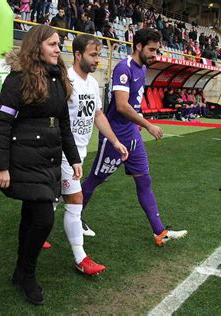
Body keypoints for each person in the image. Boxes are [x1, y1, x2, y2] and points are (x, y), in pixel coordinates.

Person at [0, 25, 82, 305]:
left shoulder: (57, 76)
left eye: (59, 44)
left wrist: (74, 157)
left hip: (50, 158)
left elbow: (64, 123)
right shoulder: (17, 79)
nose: (58, 49)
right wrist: (1, 166)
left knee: (32, 215)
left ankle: (21, 271)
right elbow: (1, 124)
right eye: (53, 44)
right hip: (25, 158)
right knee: (43, 218)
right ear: (37, 46)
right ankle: (27, 274)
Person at [81, 28, 187, 247]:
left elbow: (133, 104)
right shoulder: (124, 68)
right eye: (151, 49)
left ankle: (160, 232)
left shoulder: (142, 68)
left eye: (157, 50)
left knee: (144, 179)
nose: (154, 54)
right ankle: (74, 217)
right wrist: (148, 124)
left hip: (132, 135)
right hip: (115, 136)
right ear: (138, 46)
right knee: (95, 179)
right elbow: (121, 106)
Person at [59, 34, 128, 275]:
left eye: (99, 55)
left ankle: (36, 235)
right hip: (62, 152)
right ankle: (81, 257)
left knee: (52, 197)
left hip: (79, 150)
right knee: (75, 200)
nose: (98, 60)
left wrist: (115, 141)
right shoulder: (65, 79)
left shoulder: (92, 82)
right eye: (93, 55)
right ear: (78, 55)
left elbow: (98, 115)